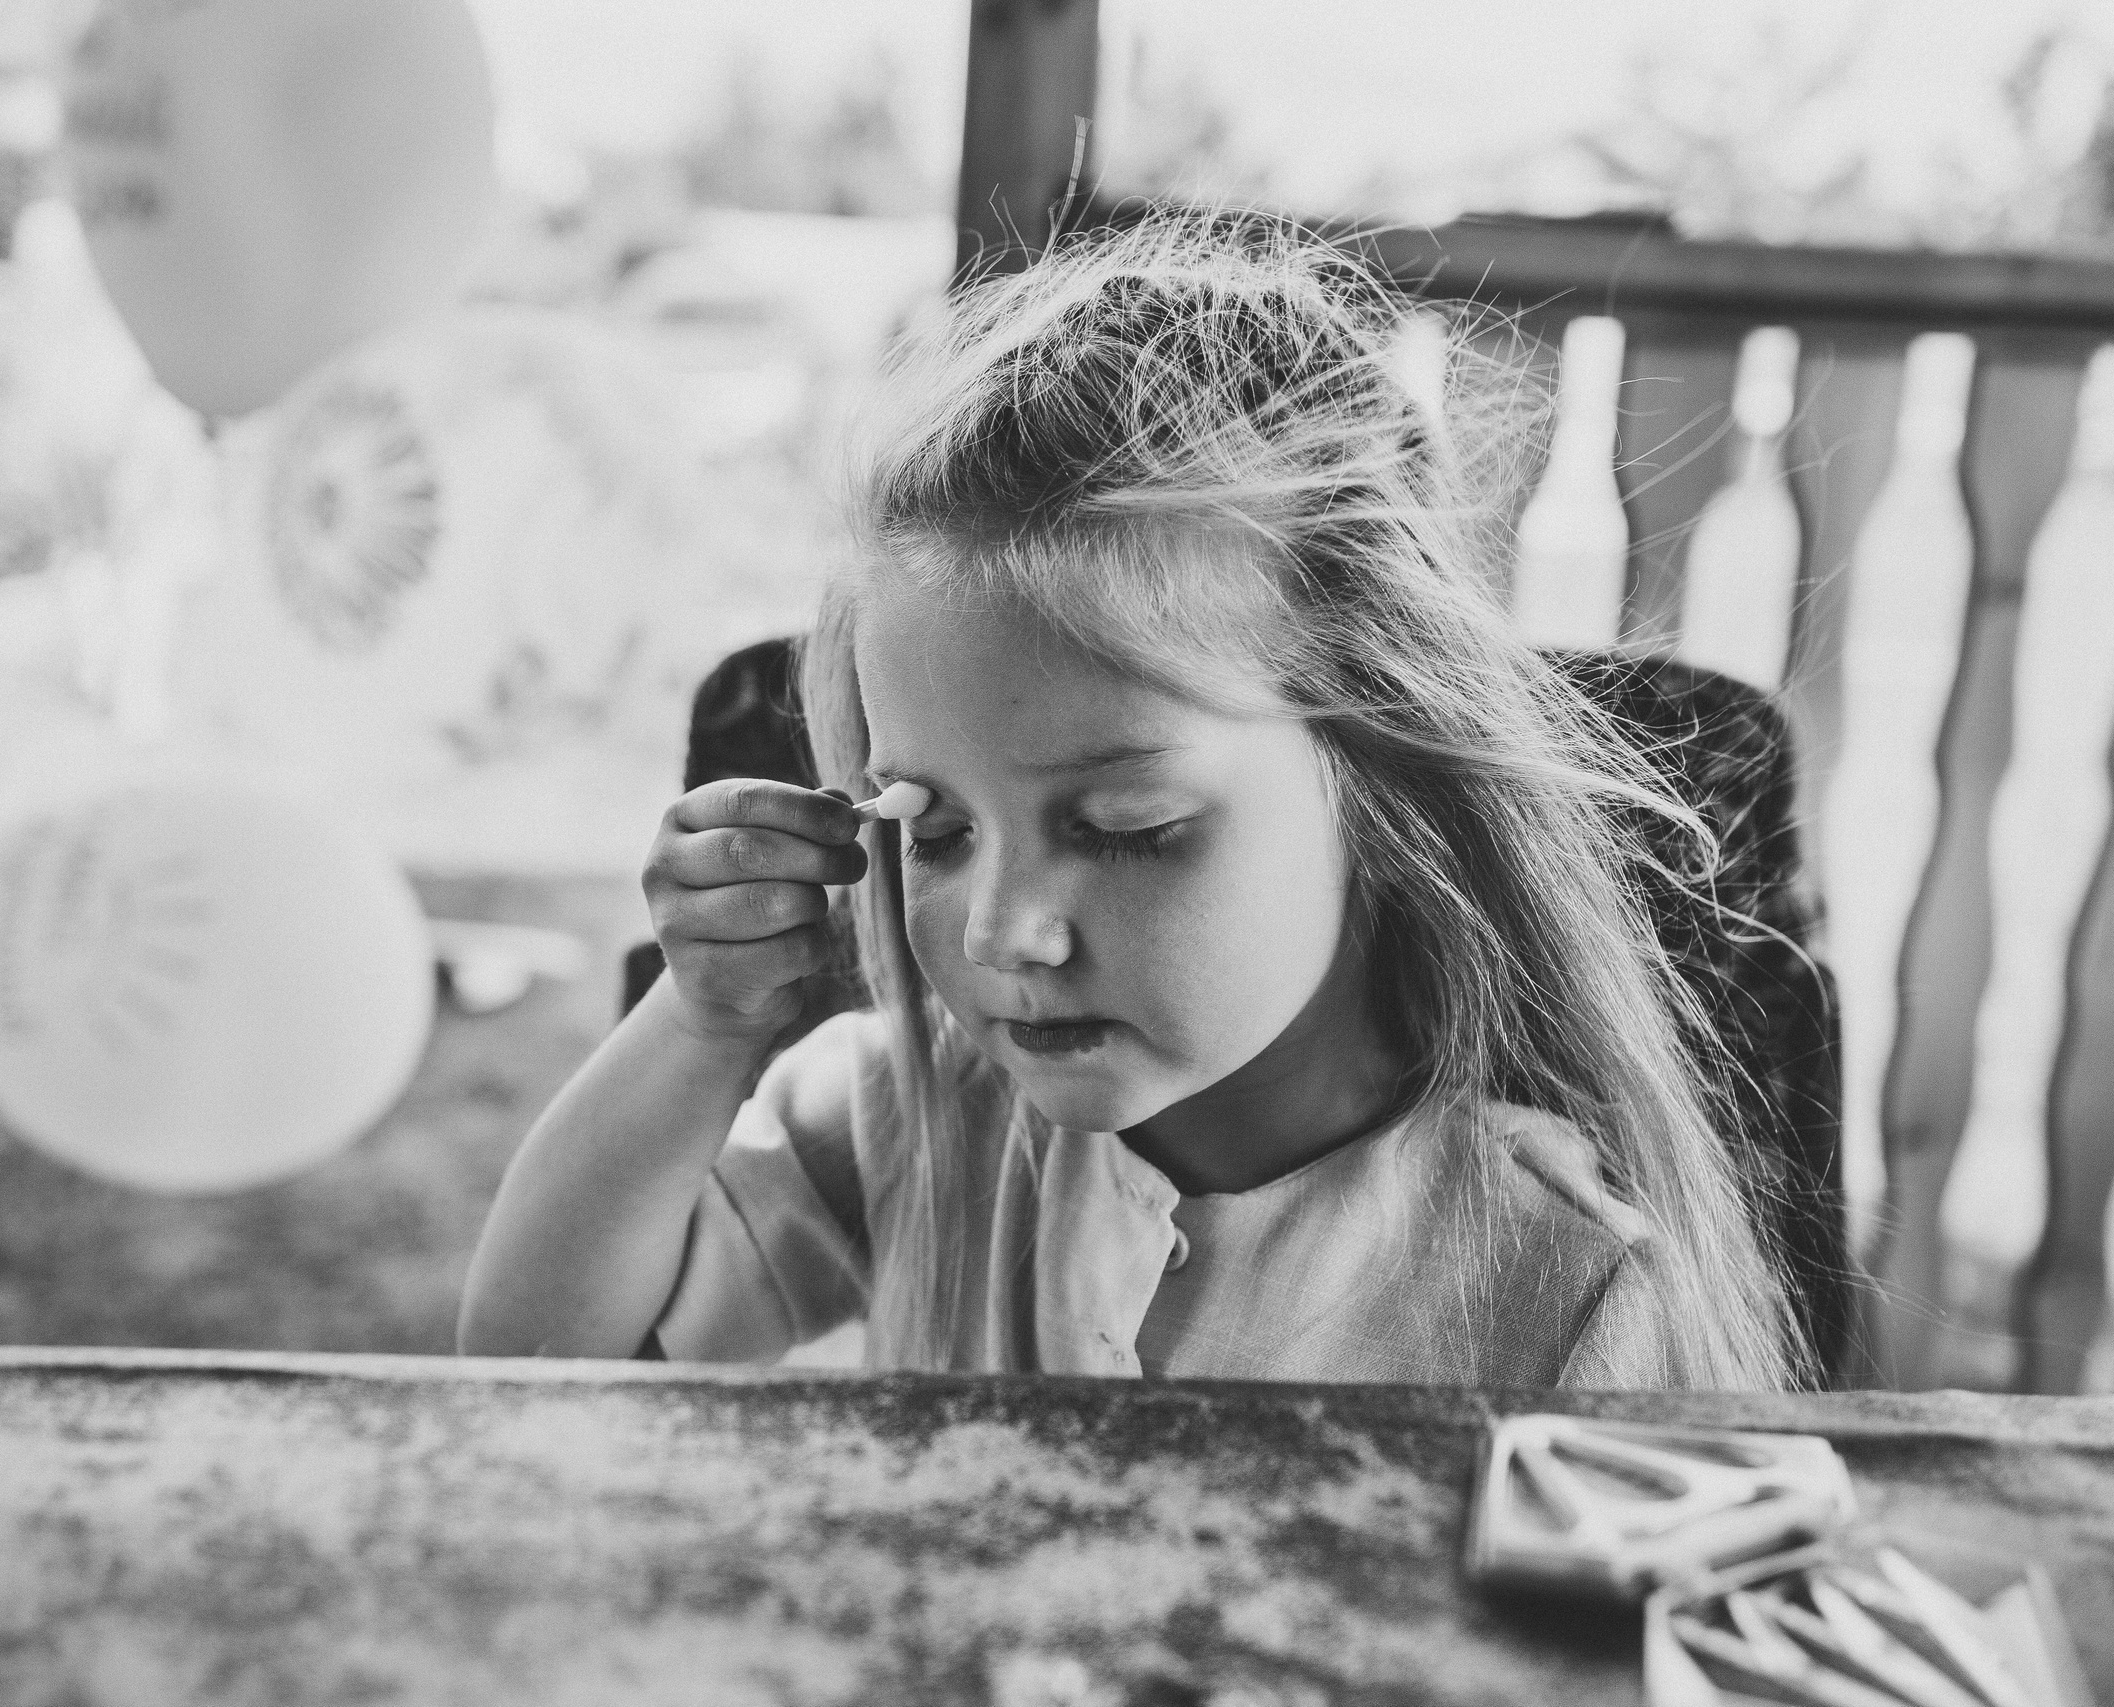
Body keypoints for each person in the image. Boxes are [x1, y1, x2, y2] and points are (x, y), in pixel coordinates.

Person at [461, 213, 1808, 1390]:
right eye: (934, 829)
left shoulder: (1564, 1286)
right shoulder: (920, 1115)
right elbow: (540, 1368)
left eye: (1127, 830)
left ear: (1392, 792)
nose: (1001, 934)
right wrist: (702, 1026)